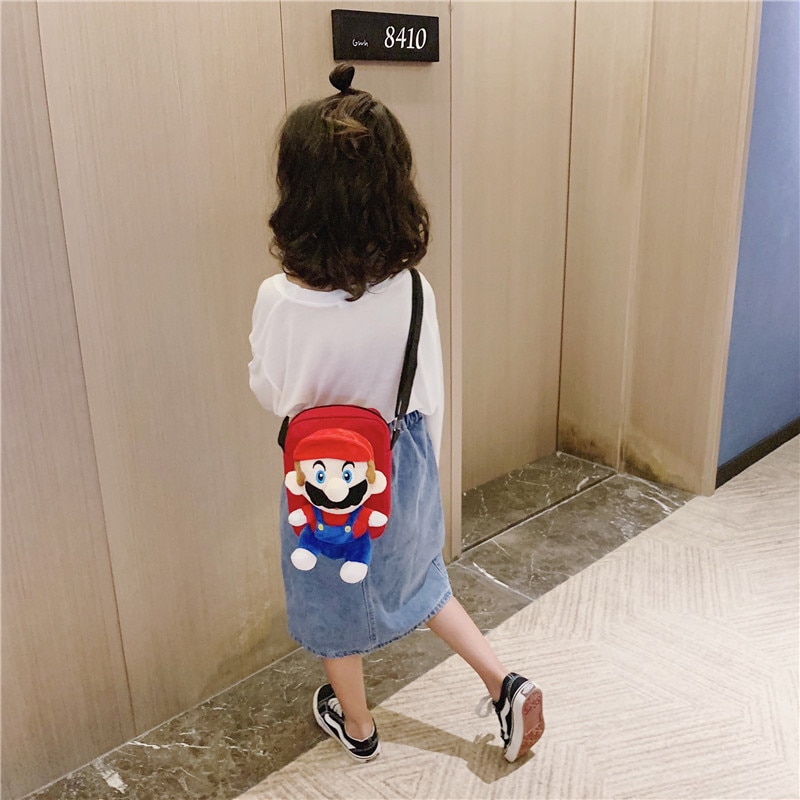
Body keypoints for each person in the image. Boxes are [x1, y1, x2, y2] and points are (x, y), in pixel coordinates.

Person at [248, 63, 544, 765]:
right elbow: (428, 393)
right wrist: (418, 472)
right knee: (421, 579)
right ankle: (504, 684)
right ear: (393, 190)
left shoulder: (278, 299)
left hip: (318, 477)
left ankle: (357, 726)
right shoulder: (413, 290)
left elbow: (269, 390)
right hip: (399, 461)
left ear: (299, 193)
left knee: (331, 605)